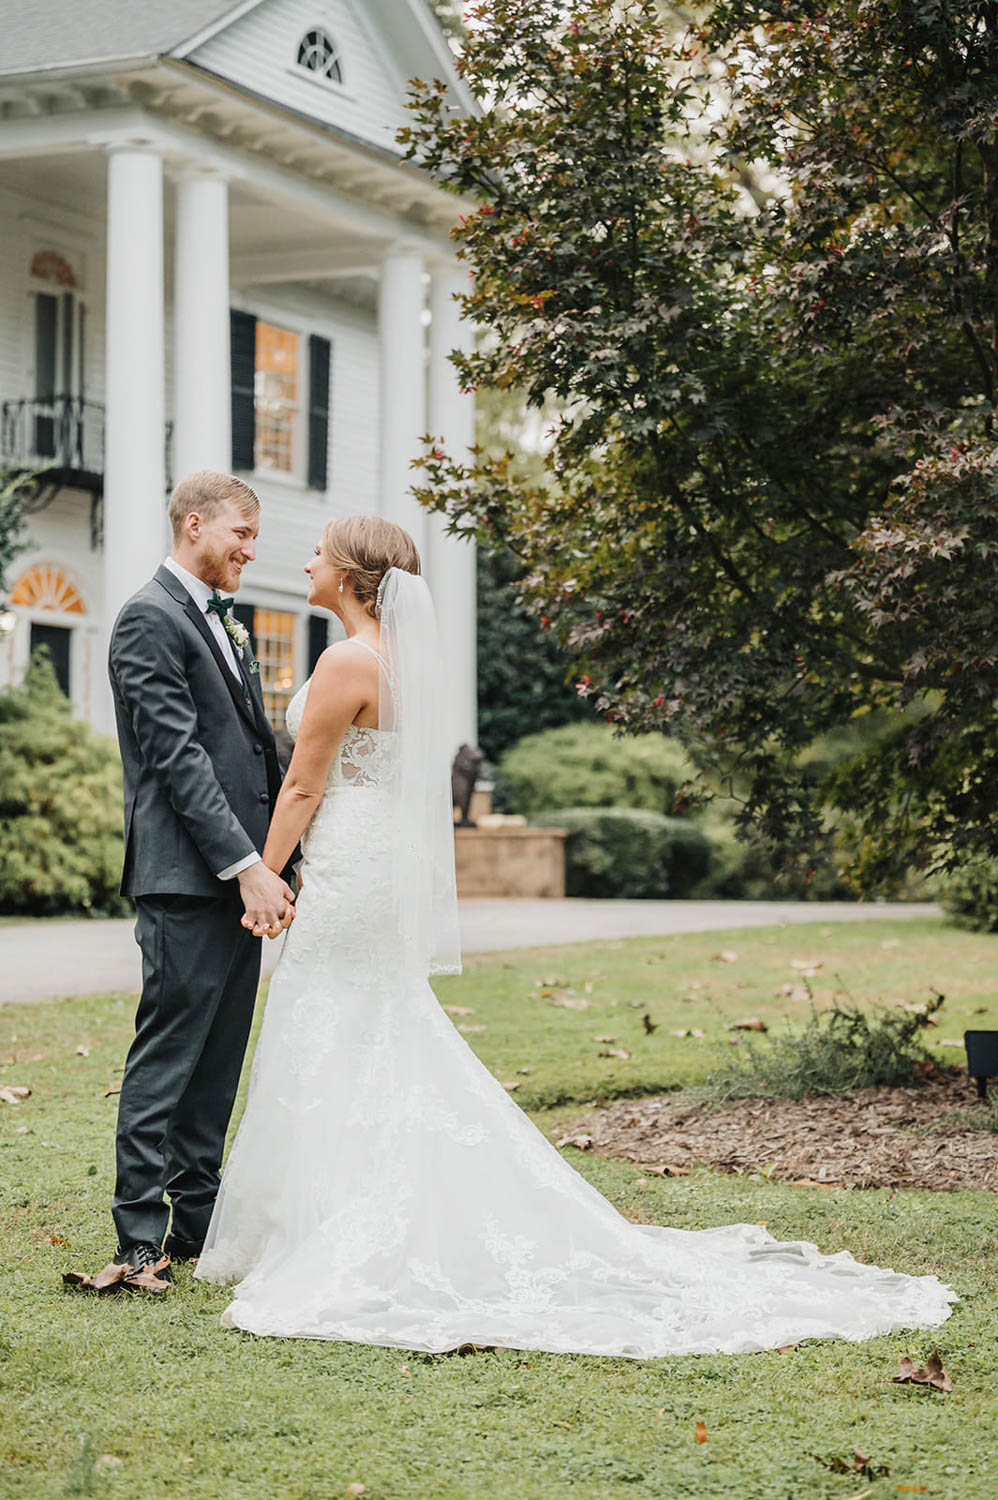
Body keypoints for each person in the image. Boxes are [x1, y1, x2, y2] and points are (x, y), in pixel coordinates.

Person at [196, 515, 956, 1356]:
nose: (302, 560)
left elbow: (303, 785)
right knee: (367, 1019)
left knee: (333, 1015)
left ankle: (332, 1221)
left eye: (316, 550)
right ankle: (331, 1209)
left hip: (347, 858)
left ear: (348, 572)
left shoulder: (347, 659)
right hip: (369, 857)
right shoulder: (400, 662)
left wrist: (261, 873)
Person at [69, 471, 297, 1296]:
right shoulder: (147, 618)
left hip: (244, 882)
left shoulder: (222, 624)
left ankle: (197, 1229)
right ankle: (137, 1241)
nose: (249, 550)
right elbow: (179, 761)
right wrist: (247, 868)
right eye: (240, 534)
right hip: (187, 879)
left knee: (217, 1064)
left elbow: (255, 756)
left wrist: (277, 865)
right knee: (168, 1059)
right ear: (194, 523)